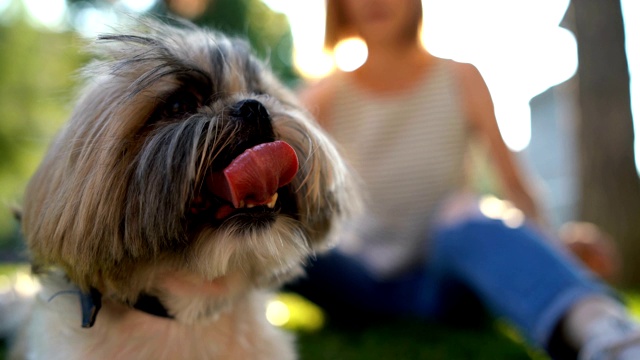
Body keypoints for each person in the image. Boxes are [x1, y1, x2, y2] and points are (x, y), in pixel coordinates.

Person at [288, 0, 640, 358]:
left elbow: (516, 189)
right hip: (354, 281)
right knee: (280, 228)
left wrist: (553, 249)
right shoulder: (323, 97)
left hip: (444, 283)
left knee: (463, 211)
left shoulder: (461, 78)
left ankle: (607, 333)